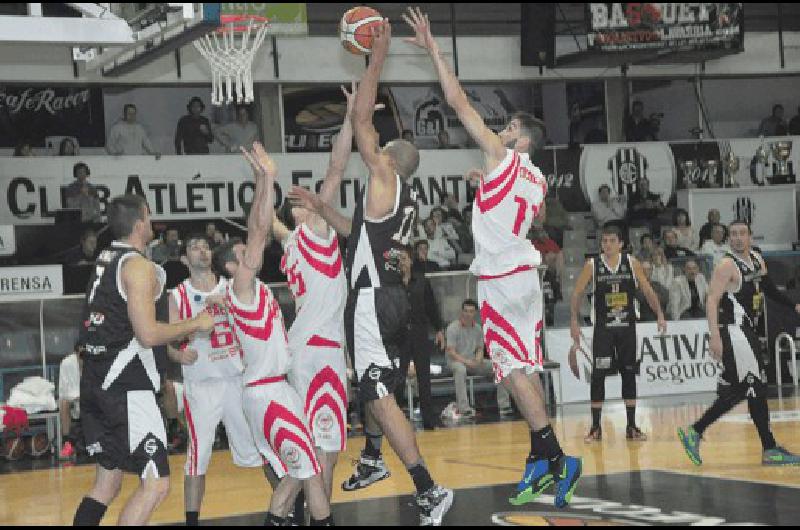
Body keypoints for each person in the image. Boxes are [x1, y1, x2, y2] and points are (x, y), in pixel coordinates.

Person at [404, 6, 581, 509]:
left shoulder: (503, 157)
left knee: (509, 371)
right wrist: (486, 191)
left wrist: (436, 52)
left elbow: (458, 103)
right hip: (525, 274)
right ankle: (541, 463)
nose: (499, 130)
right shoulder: (537, 178)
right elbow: (531, 215)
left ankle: (556, 456)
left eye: (508, 128)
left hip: (503, 280)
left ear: (520, 139)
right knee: (525, 368)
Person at [289, 18, 453, 524]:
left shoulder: (384, 173)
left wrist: (374, 57)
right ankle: (376, 458)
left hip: (373, 299)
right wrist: (320, 204)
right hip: (385, 298)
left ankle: (426, 486)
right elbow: (353, 231)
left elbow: (361, 120)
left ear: (390, 159)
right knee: (373, 390)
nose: (373, 146)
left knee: (378, 393)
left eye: (379, 146)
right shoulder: (390, 200)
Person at [73, 194, 214, 526]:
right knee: (156, 485)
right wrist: (196, 322)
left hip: (96, 381)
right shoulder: (138, 267)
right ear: (139, 224)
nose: (152, 223)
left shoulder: (107, 258)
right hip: (127, 389)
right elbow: (148, 335)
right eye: (149, 217)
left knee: (107, 483)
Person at [214, 143, 333, 526]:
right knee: (306, 469)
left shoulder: (252, 288)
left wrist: (263, 180)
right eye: (243, 252)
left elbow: (262, 230)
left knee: (304, 467)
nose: (251, 251)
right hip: (267, 392)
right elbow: (259, 228)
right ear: (234, 266)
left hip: (272, 391)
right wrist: (266, 180)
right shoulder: (241, 289)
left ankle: (293, 519)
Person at [271, 83, 356, 511]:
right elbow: (336, 169)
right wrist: (349, 118)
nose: (316, 201)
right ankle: (316, 514)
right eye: (306, 201)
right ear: (302, 212)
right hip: (320, 351)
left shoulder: (289, 243)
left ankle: (294, 509)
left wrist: (262, 182)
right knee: (328, 446)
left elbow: (269, 224)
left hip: (301, 347)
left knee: (316, 445)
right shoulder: (314, 231)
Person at [678, 220, 800, 467]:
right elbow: (711, 301)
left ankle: (696, 430)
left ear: (750, 237)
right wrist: (715, 336)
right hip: (733, 332)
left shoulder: (756, 260)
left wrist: (794, 305)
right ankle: (769, 448)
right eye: (732, 234)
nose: (737, 238)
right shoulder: (726, 265)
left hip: (748, 331)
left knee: (742, 389)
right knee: (755, 386)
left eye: (742, 233)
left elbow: (769, 290)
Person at [167, 232, 266, 526]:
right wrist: (178, 355)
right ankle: (192, 521)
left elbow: (254, 322)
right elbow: (169, 343)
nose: (202, 251)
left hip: (236, 380)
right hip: (202, 386)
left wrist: (229, 308)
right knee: (197, 457)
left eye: (205, 247)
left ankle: (289, 507)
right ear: (185, 259)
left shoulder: (233, 287)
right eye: (194, 247)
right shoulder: (178, 296)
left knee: (261, 447)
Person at [570, 225, 667, 444]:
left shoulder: (631, 263)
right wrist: (574, 321)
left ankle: (631, 426)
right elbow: (576, 293)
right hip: (603, 329)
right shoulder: (592, 265)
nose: (607, 245)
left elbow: (647, 290)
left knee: (629, 373)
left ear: (621, 243)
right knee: (598, 375)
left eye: (612, 241)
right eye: (604, 241)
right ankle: (596, 427)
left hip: (627, 327)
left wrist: (660, 313)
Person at [397, 246, 446, 430]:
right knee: (398, 378)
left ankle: (428, 419)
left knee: (424, 377)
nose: (402, 263)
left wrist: (439, 329)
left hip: (419, 332)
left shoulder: (422, 282)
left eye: (404, 259)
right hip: (399, 335)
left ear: (410, 261)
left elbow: (431, 307)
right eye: (399, 259)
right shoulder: (392, 282)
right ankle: (398, 420)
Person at [446, 299, 511, 418]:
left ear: (475, 313)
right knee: (460, 370)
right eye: (465, 311)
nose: (467, 314)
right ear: (461, 312)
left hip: (472, 360)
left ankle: (504, 405)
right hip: (455, 361)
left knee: (499, 366)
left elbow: (480, 349)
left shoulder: (478, 329)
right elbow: (451, 352)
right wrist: (468, 362)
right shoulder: (452, 328)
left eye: (470, 311)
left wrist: (479, 359)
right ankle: (464, 408)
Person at [58, 343, 85, 459]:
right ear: (76, 352)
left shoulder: (97, 362)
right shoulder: (66, 363)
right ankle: (67, 442)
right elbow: (63, 391)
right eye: (81, 354)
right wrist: (77, 396)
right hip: (74, 401)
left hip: (93, 401)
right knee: (63, 403)